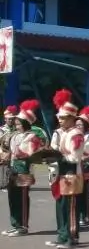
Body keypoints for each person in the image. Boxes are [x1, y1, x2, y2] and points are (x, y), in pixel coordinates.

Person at [47, 89, 85, 249]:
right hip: (61, 174)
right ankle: (62, 236)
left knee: (70, 208)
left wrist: (59, 156)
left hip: (72, 174)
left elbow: (75, 157)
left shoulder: (76, 134)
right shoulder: (61, 133)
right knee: (61, 206)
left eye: (63, 118)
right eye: (59, 118)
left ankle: (71, 237)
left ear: (71, 118)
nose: (60, 121)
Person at [2, 100, 43, 237]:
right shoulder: (15, 135)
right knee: (12, 198)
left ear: (26, 123)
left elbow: (25, 152)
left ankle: (23, 226)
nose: (16, 125)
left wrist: (10, 154)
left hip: (24, 170)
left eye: (19, 123)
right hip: (13, 169)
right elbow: (7, 148)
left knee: (22, 199)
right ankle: (15, 224)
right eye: (16, 123)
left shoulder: (32, 136)